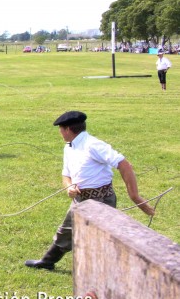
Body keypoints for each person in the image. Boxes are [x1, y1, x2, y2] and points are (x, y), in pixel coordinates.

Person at [25, 111, 156, 270]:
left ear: (67, 129)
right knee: (66, 231)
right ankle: (47, 262)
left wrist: (135, 197)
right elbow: (66, 174)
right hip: (80, 200)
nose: (59, 132)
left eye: (60, 129)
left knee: (101, 236)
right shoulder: (69, 147)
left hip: (101, 201)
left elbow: (124, 165)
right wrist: (69, 187)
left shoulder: (93, 145)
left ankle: (114, 269)